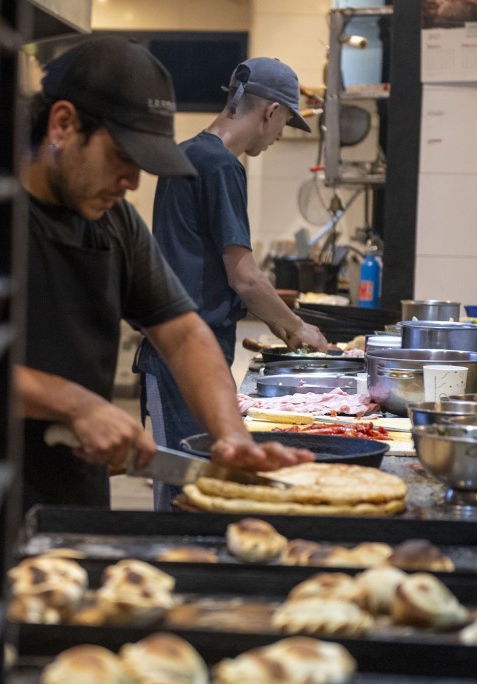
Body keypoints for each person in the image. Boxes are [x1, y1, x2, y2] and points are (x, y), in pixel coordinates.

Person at [0, 36, 315, 660]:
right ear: (62, 125)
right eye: (123, 156)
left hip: (67, 507)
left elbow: (183, 331)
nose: (133, 180)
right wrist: (75, 403)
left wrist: (230, 438)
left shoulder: (112, 222)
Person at [136, 56, 329, 510]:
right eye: (285, 123)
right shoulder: (223, 167)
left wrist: (280, 324)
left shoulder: (186, 153)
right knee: (190, 486)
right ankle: (177, 571)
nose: (281, 135)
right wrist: (298, 328)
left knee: (190, 479)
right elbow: (244, 277)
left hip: (176, 347)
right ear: (270, 112)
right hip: (185, 354)